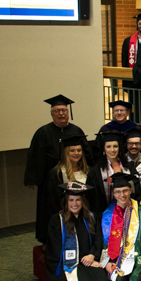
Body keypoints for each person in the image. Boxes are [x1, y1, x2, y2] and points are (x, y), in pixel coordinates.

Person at [46, 182, 110, 281]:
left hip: (88, 261)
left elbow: (98, 241)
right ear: (66, 202)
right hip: (65, 263)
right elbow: (55, 248)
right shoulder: (57, 220)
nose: (75, 204)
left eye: (78, 200)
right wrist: (78, 259)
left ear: (83, 201)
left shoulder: (91, 217)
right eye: (71, 200)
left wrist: (92, 256)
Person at [26, 95, 87, 243]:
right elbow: (35, 156)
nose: (61, 114)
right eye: (57, 111)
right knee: (49, 209)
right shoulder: (43, 132)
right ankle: (51, 239)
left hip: (74, 176)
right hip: (50, 180)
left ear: (68, 112)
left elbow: (86, 154)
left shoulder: (76, 131)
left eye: (64, 110)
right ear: (52, 113)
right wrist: (33, 178)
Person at [86, 131, 138, 214]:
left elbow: (137, 190)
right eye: (108, 147)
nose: (112, 150)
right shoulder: (96, 171)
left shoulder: (129, 167)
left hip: (129, 213)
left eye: (115, 146)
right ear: (104, 149)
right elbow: (92, 197)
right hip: (105, 215)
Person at [45, 135, 90, 227]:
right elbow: (54, 199)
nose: (76, 153)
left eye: (79, 150)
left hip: (85, 214)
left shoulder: (87, 171)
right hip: (66, 216)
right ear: (66, 153)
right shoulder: (58, 173)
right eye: (72, 150)